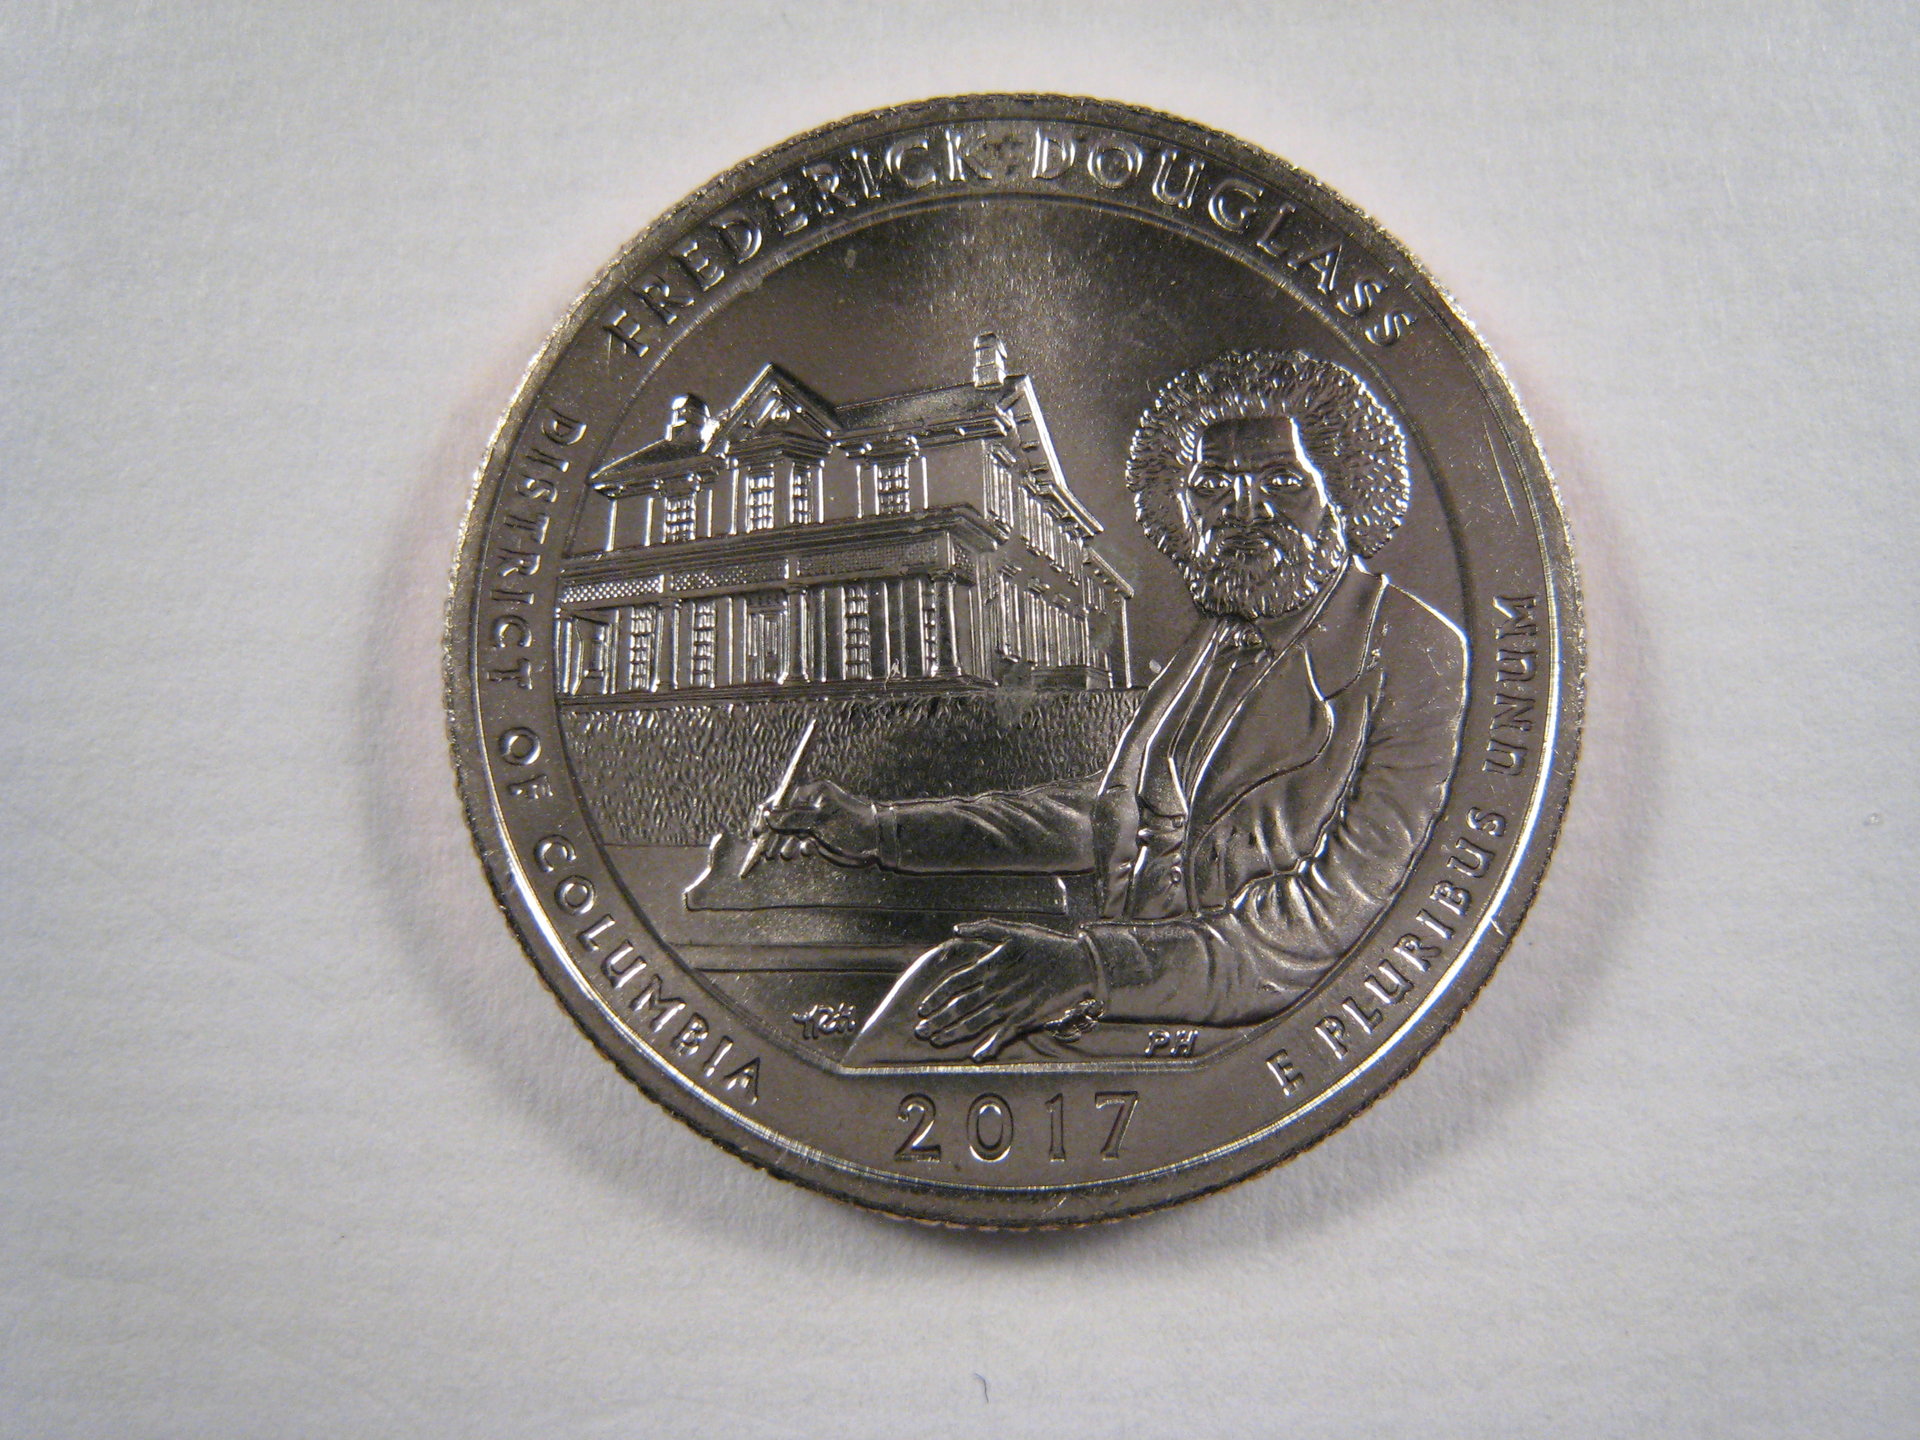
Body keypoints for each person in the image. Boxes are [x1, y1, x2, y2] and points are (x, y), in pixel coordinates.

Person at [763, 349, 1467, 1059]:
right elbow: (1108, 815)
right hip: (1115, 989)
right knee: (930, 991)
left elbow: (1318, 925)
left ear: (1344, 493)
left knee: (918, 1027)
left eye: (1281, 481)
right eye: (1211, 486)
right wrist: (881, 829)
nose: (1242, 511)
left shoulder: (1414, 653)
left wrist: (1090, 969)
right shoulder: (1217, 638)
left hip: (1223, 1023)